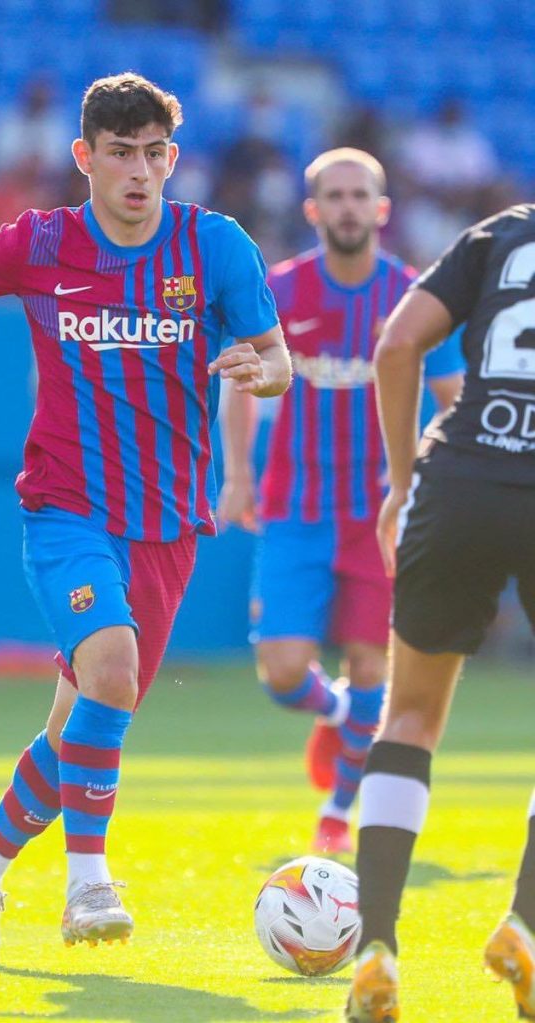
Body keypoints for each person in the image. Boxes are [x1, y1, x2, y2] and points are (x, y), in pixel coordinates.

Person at [0, 73, 292, 965]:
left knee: (82, 723)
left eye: (155, 154)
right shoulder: (41, 243)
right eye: (121, 153)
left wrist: (265, 372)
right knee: (113, 668)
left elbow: (277, 357)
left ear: (172, 159)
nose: (140, 171)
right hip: (66, 505)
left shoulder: (215, 245)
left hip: (167, 521)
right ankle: (88, 882)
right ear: (85, 157)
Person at [218, 148, 464, 856]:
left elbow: (453, 399)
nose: (348, 207)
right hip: (294, 509)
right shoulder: (279, 291)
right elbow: (239, 382)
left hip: (380, 516)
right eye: (336, 195)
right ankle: (334, 714)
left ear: (381, 210)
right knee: (283, 671)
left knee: (372, 668)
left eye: (361, 195)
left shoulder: (415, 297)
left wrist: (437, 488)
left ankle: (337, 810)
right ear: (313, 209)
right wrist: (237, 475)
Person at [345, 204, 535, 1022]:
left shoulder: (502, 234)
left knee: (410, 715)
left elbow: (396, 345)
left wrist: (400, 483)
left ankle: (376, 947)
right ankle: (525, 922)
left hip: (460, 482)